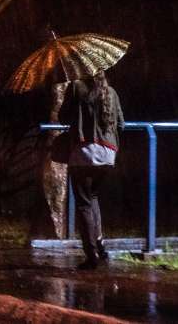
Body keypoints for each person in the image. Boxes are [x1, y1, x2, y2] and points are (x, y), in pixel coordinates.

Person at [59, 71, 124, 270]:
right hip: (108, 154)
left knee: (83, 204)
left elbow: (63, 117)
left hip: (84, 152)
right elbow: (121, 124)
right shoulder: (111, 92)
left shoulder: (77, 87)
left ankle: (91, 254)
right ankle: (100, 245)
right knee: (93, 196)